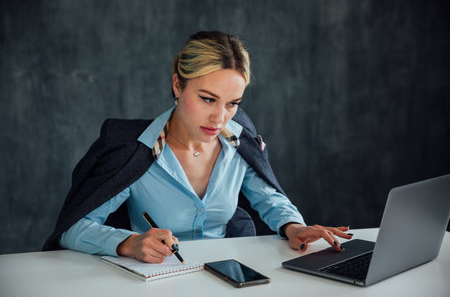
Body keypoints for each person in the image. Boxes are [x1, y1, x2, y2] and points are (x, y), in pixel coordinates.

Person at [43, 31, 352, 263]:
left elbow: (269, 199)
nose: (220, 117)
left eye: (233, 103)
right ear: (178, 85)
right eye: (207, 99)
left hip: (229, 273)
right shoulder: (133, 151)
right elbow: (75, 228)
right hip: (154, 281)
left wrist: (294, 227)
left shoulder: (238, 141)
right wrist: (130, 243)